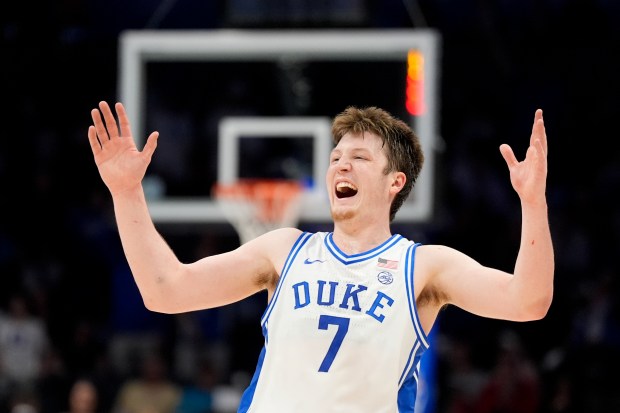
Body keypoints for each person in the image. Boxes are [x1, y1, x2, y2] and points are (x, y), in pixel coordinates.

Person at [87, 101, 554, 413]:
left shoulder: (425, 267)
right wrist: (126, 193)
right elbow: (165, 291)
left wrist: (533, 203)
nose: (341, 165)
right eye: (335, 157)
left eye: (360, 158)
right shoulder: (285, 249)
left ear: (395, 182)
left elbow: (528, 302)